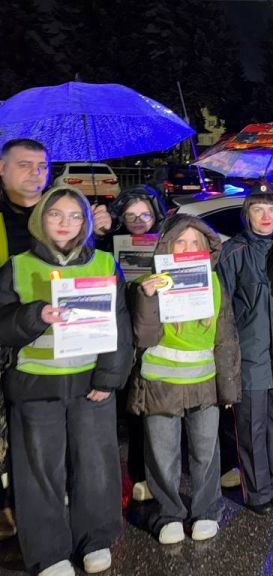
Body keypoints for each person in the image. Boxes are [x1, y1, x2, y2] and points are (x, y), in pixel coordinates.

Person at [0, 186, 133, 576]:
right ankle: (49, 552)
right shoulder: (18, 266)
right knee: (39, 471)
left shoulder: (105, 263)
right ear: (41, 217)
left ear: (86, 223)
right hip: (36, 386)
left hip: (91, 384)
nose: (65, 223)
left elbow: (120, 325)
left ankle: (95, 539)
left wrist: (109, 377)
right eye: (56, 214)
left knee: (96, 465)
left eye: (75, 216)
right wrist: (34, 316)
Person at [128, 215, 240, 545]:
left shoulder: (215, 283)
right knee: (163, 456)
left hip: (204, 384)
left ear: (206, 249)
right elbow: (143, 337)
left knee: (206, 453)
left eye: (196, 243)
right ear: (167, 246)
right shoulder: (151, 282)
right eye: (181, 242)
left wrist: (228, 387)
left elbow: (226, 339)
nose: (189, 248)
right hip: (161, 385)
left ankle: (207, 511)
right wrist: (147, 297)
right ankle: (168, 514)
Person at [217, 186, 273, 514]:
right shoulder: (233, 252)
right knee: (252, 427)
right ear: (247, 214)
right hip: (249, 358)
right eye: (259, 209)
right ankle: (257, 491)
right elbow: (221, 310)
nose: (266, 216)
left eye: (272, 210)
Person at [91, 185, 167, 503]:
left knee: (154, 410)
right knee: (130, 412)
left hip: (156, 334)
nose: (138, 220)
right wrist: (98, 234)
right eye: (130, 214)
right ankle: (134, 475)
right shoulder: (107, 245)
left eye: (145, 214)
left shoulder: (167, 245)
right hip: (120, 336)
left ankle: (156, 474)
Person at [0, 137, 52, 539]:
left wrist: (102, 232)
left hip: (46, 346)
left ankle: (32, 514)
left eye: (41, 165)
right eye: (24, 164)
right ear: (2, 169)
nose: (36, 173)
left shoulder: (60, 216)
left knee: (36, 437)